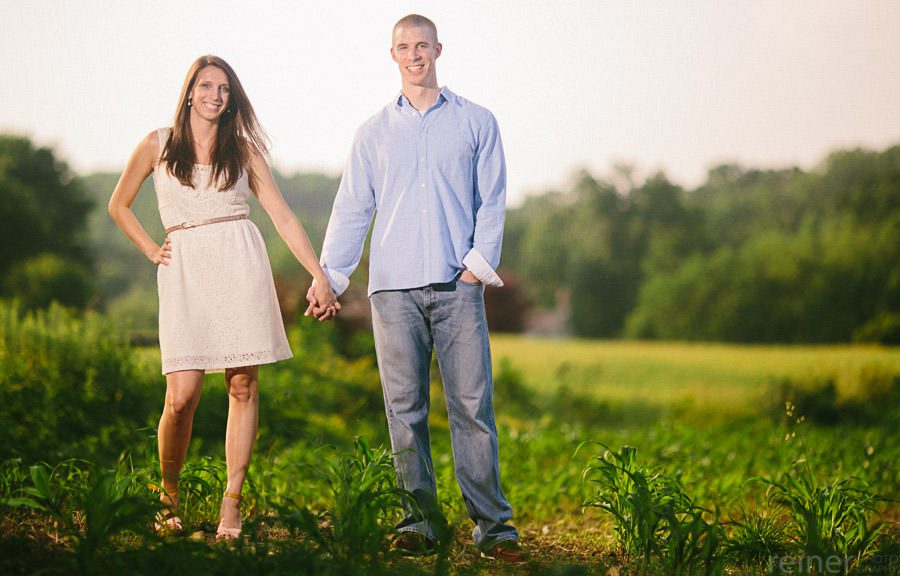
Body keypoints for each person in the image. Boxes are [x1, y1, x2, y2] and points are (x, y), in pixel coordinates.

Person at [306, 14, 524, 563]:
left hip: (458, 285)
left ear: (438, 49)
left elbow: (492, 200)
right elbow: (353, 209)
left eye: (421, 45)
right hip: (392, 291)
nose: (413, 55)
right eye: (403, 47)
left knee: (473, 407)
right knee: (404, 410)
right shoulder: (372, 133)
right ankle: (420, 523)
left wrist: (475, 268)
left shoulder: (477, 122)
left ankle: (494, 530)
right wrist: (330, 278)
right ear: (393, 54)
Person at [109, 55, 336, 539]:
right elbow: (119, 204)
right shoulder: (157, 144)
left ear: (232, 99)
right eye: (207, 85)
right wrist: (152, 248)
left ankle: (230, 504)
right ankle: (167, 493)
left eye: (225, 89)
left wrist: (318, 274)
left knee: (242, 386)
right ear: (190, 91)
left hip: (240, 262)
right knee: (182, 396)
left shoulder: (244, 150)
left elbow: (283, 216)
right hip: (184, 269)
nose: (215, 95)